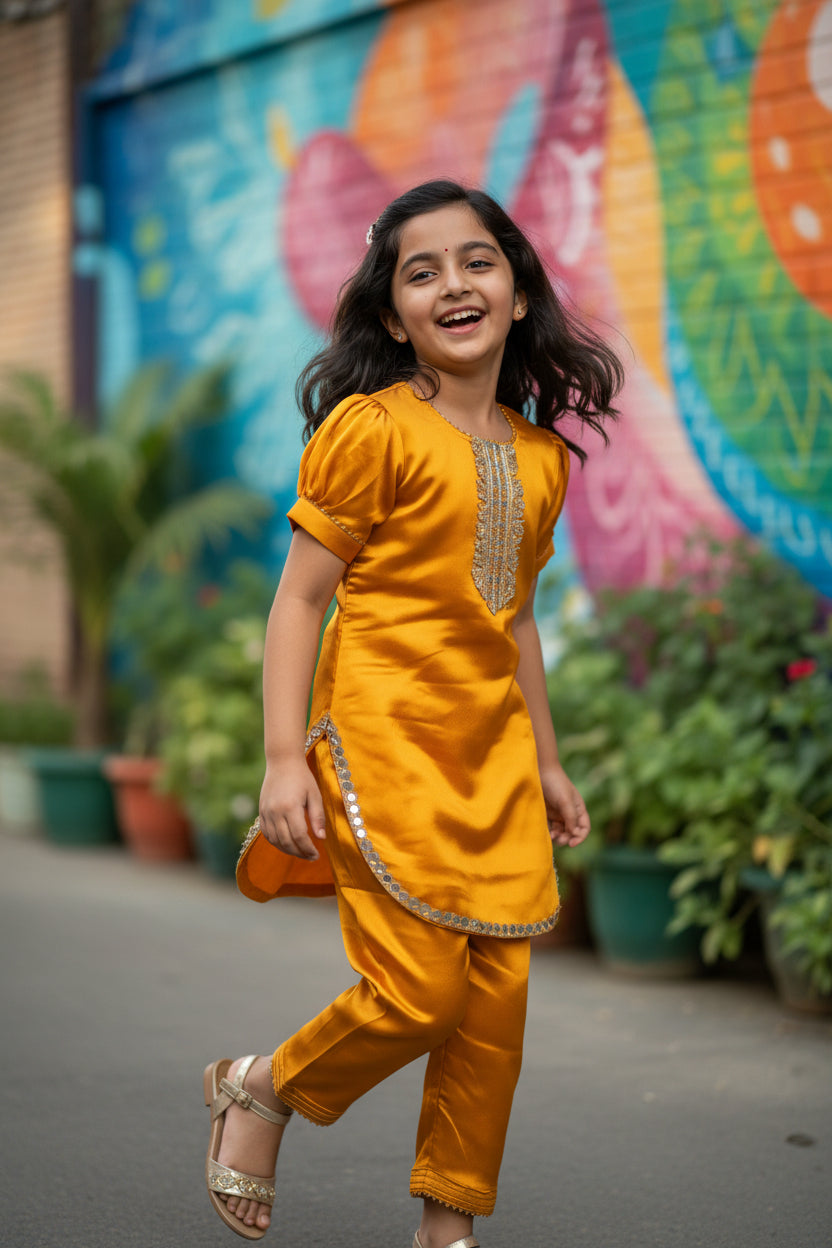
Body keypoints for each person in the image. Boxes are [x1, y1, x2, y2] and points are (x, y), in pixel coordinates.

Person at [203, 179, 622, 1245]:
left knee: (491, 1017)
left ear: (518, 290)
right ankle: (263, 1086)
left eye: (477, 261)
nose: (453, 284)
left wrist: (549, 761)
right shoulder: (370, 430)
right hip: (381, 746)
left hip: (492, 759)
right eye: (420, 271)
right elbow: (300, 598)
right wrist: (283, 757)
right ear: (393, 316)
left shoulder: (539, 463)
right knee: (415, 995)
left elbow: (513, 618)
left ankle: (450, 1230)